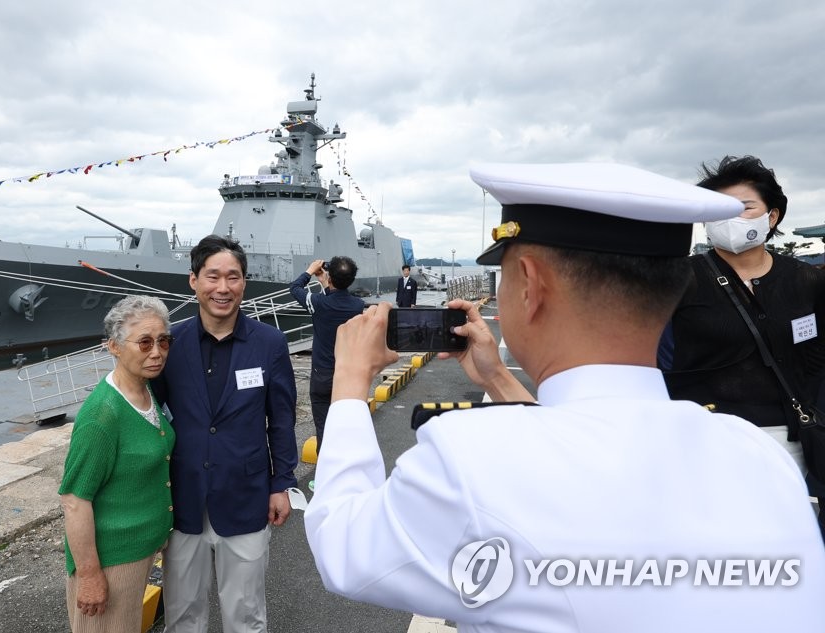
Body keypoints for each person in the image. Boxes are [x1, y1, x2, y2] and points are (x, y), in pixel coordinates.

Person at [305, 163, 825, 631]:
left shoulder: (470, 458)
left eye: (503, 274)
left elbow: (344, 548)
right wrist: (499, 382)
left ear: (530, 285)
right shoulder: (757, 457)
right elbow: (585, 451)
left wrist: (350, 387)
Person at [157, 235, 298, 633]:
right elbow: (151, 414)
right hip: (183, 499)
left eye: (233, 277)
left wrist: (282, 483)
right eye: (213, 276)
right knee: (183, 612)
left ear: (244, 283)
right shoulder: (171, 343)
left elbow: (282, 420)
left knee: (246, 613)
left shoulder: (269, 343)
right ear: (194, 281)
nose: (223, 288)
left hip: (247, 494)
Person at [659, 156, 825, 469]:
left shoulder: (808, 281)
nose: (731, 217)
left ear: (772, 216)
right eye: (720, 209)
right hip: (704, 440)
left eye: (746, 207)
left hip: (795, 440)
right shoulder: (676, 280)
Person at [59, 295, 175, 633]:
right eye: (144, 342)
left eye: (163, 341)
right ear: (113, 347)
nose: (156, 352)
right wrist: (90, 575)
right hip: (113, 559)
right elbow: (74, 501)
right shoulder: (102, 416)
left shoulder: (144, 389)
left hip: (139, 551)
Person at [289, 256, 365, 457]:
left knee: (324, 428)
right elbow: (337, 300)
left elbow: (295, 288)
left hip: (322, 375)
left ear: (331, 278)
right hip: (347, 376)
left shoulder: (318, 303)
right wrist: (325, 282)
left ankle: (324, 476)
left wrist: (309, 271)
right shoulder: (358, 305)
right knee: (346, 427)